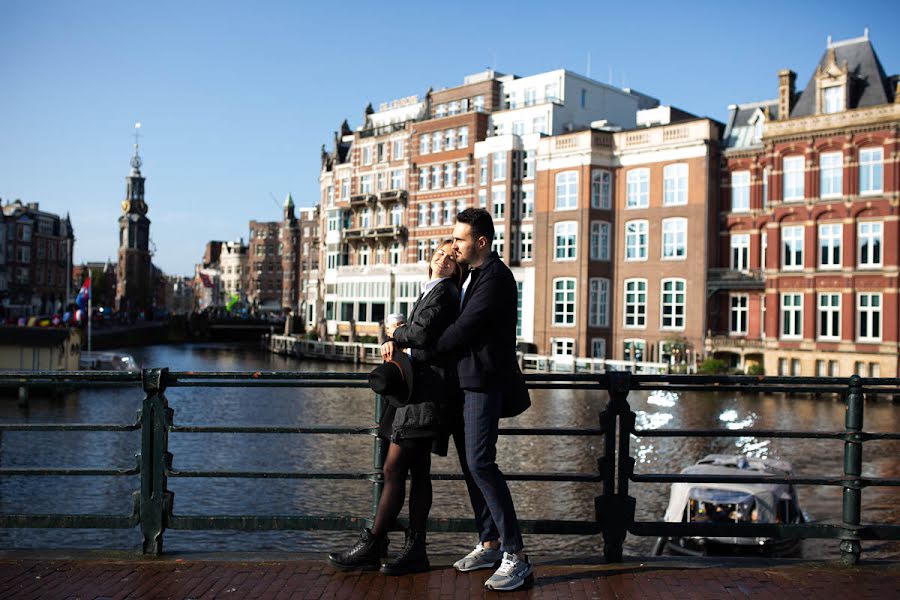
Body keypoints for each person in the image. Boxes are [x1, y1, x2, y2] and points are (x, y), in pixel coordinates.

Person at [327, 240, 465, 575]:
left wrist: (395, 332)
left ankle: (374, 544)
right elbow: (422, 336)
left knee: (392, 470)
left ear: (459, 268)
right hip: (423, 393)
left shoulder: (445, 292)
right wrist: (399, 338)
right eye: (440, 252)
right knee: (416, 472)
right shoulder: (433, 289)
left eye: (451, 257)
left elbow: (419, 333)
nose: (443, 258)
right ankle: (413, 549)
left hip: (424, 396)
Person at [435, 207, 533, 591]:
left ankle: (517, 555)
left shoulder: (497, 278)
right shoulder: (472, 275)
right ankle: (490, 543)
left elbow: (463, 329)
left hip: (482, 383)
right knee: (471, 465)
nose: (454, 245)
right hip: (465, 382)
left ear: (481, 242)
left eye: (460, 239)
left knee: (481, 463)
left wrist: (418, 349)